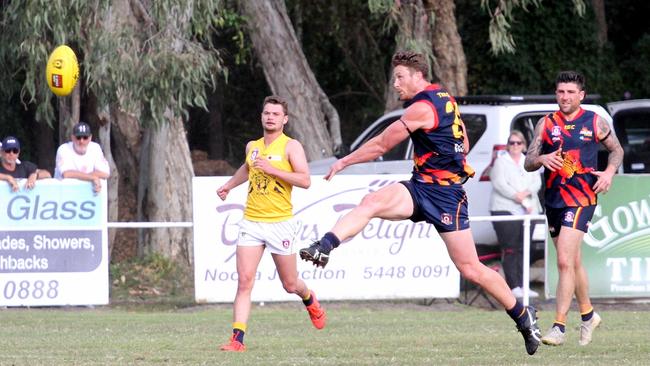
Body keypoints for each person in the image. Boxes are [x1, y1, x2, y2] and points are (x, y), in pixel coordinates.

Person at [300, 51, 541, 356]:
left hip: (447, 196)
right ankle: (325, 245)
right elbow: (464, 142)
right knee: (371, 202)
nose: (396, 84)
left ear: (417, 76)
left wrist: (345, 161)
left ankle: (523, 316)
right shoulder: (444, 97)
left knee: (470, 268)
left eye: (400, 77)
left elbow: (382, 145)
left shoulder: (422, 107)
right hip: (420, 187)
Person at [216, 95, 326, 352]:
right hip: (252, 221)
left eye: (275, 114)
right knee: (244, 281)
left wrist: (273, 169)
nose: (270, 117)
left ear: (284, 119)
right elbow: (247, 168)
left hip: (279, 223)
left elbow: (305, 180)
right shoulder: (252, 146)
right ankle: (237, 340)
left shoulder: (291, 146)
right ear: (261, 116)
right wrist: (228, 186)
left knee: (289, 284)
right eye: (266, 113)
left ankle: (309, 298)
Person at [524, 71, 624, 346]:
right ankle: (589, 314)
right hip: (553, 199)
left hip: (582, 198)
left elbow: (617, 151)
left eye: (570, 92)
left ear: (581, 95)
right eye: (560, 92)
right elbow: (529, 161)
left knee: (565, 262)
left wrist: (609, 173)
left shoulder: (594, 121)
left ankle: (559, 326)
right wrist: (542, 157)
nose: (565, 97)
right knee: (574, 261)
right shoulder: (546, 124)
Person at [489, 130, 542, 298]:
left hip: (528, 209)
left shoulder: (529, 161)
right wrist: (516, 196)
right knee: (510, 249)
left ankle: (523, 285)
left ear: (524, 145)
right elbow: (499, 183)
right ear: (508, 145)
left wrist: (525, 194)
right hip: (505, 208)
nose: (515, 146)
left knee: (524, 248)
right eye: (512, 143)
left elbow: (537, 182)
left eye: (518, 143)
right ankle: (513, 286)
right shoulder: (501, 162)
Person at [55, 121, 110, 193]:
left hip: (87, 194)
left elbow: (105, 173)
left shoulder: (95, 148)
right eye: (78, 137)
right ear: (72, 137)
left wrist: (80, 176)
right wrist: (92, 177)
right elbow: (67, 174)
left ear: (90, 138)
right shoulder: (63, 149)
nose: (81, 141)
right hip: (63, 193)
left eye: (85, 137)